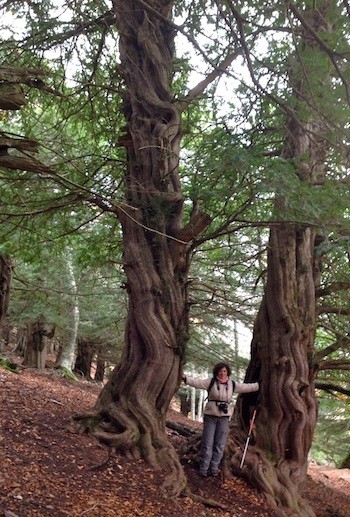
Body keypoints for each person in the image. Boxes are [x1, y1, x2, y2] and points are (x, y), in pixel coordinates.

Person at [182, 362, 259, 477]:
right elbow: (198, 383)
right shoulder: (211, 382)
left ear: (227, 372)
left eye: (224, 371)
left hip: (224, 417)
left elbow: (246, 387)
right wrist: (185, 378)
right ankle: (204, 467)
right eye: (220, 371)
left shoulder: (232, 384)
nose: (222, 373)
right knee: (207, 442)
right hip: (210, 416)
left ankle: (214, 467)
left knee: (220, 443)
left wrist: (259, 385)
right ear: (216, 372)